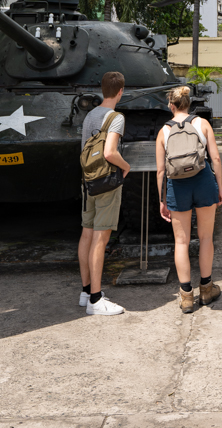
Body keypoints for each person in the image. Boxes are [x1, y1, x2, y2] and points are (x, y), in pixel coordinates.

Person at [157, 85, 222, 313]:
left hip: (177, 185)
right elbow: (215, 158)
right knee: (206, 237)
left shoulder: (163, 131)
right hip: (204, 180)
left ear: (171, 105)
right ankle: (206, 289)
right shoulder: (202, 124)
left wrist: (162, 199)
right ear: (189, 104)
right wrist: (219, 187)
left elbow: (160, 171)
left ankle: (186, 296)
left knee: (181, 241)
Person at [78, 71, 132, 316]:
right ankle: (96, 301)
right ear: (120, 91)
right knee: (101, 239)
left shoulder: (90, 115)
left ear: (102, 90)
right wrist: (126, 166)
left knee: (86, 234)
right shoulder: (116, 117)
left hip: (88, 182)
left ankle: (86, 291)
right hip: (107, 183)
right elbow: (110, 152)